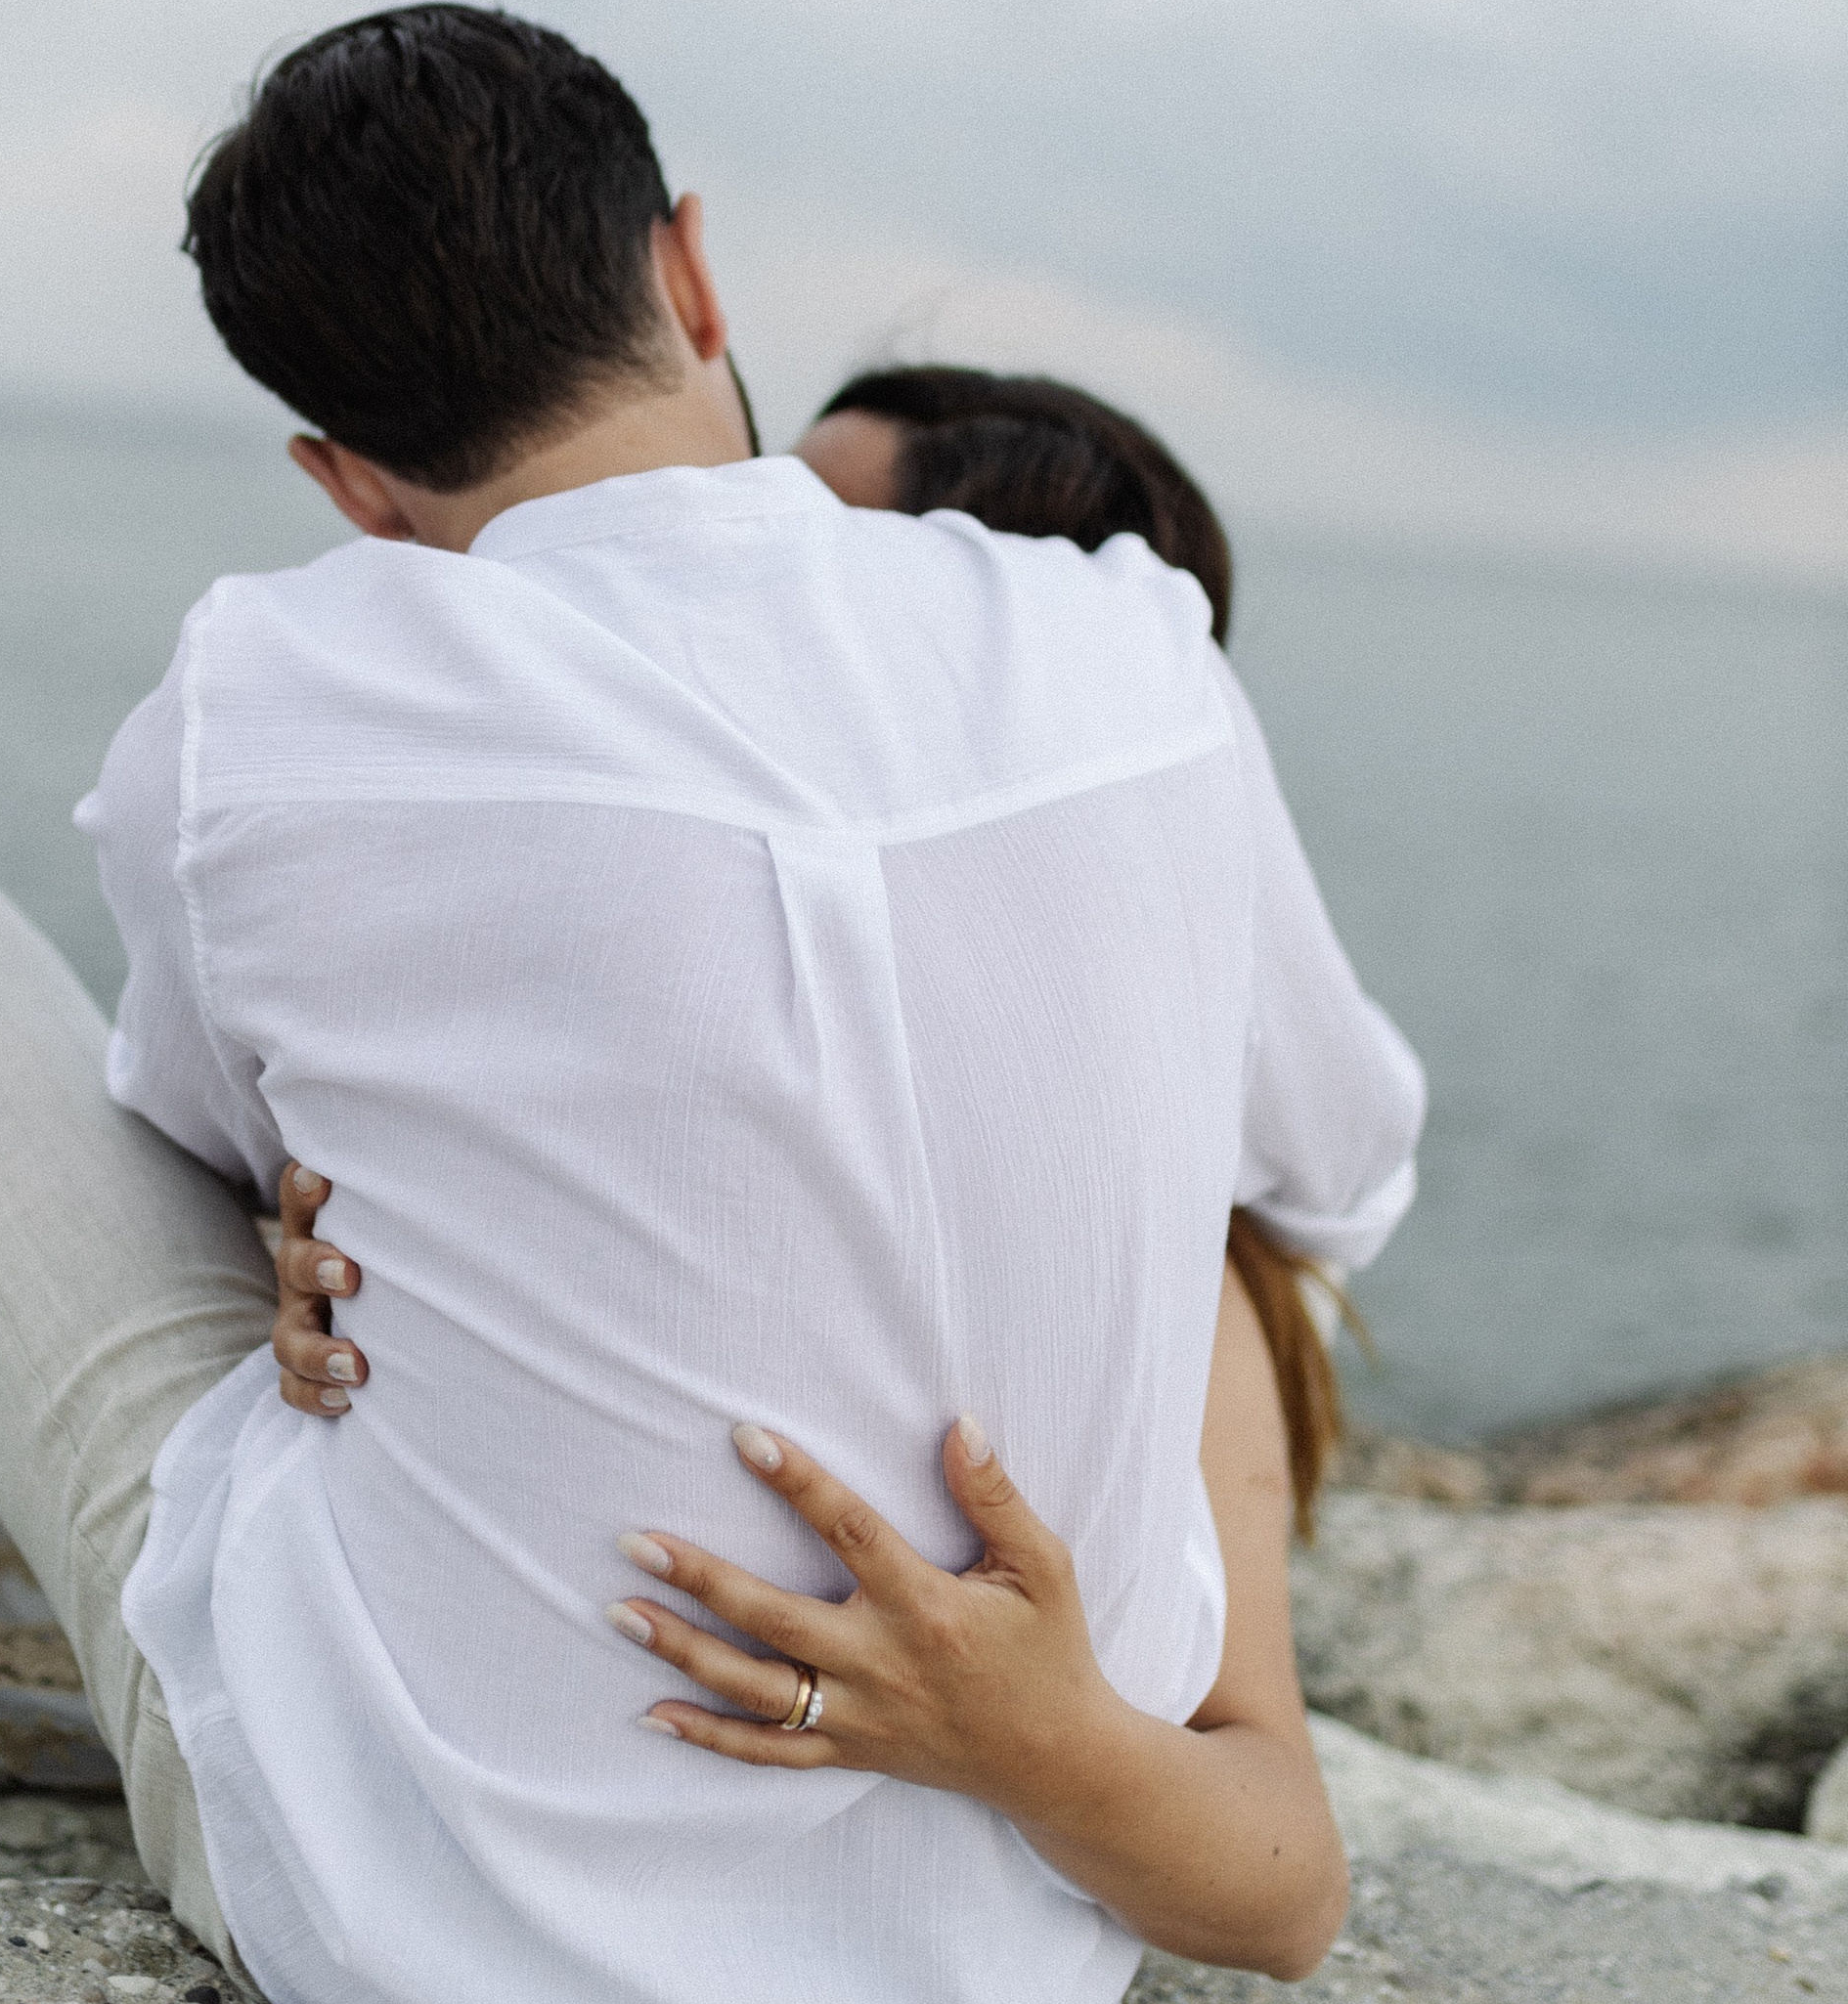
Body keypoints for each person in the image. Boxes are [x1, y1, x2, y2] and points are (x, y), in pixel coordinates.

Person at [0, 5, 1423, 2004]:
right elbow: (1329, 1165)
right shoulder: (1123, 657)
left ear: (341, 480)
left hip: (422, 1952)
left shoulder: (269, 693)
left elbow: (224, 1155)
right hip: (977, 2000)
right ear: (691, 270)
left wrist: (315, 1216)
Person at [273, 362, 1359, 1534]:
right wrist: (331, 1293)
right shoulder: (726, 1007)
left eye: (830, 552)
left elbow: (1242, 1727)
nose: (745, 567)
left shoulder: (1169, 1292)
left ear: (1001, 665)